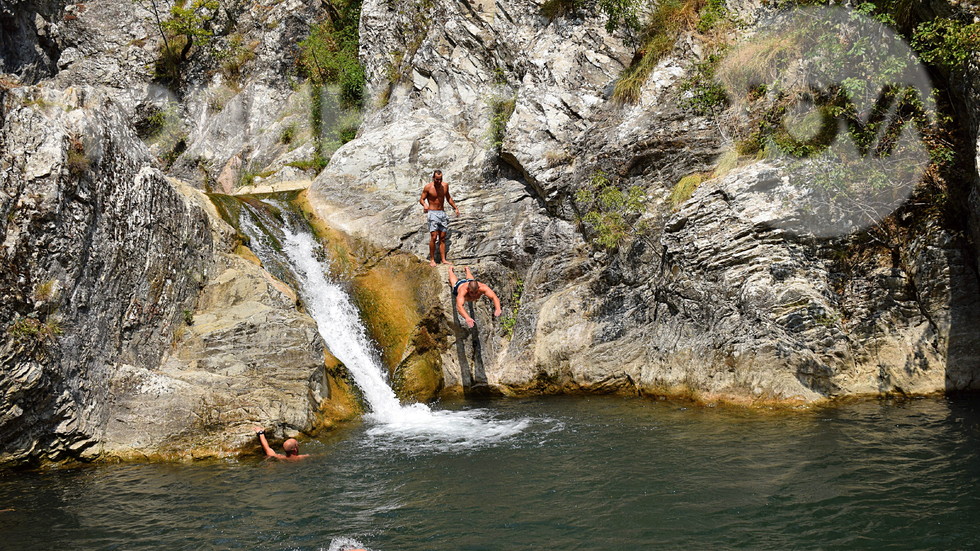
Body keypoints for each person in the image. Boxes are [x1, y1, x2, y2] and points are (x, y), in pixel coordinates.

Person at [419, 170, 460, 266]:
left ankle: (443, 259)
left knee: (442, 238)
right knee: (434, 236)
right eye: (437, 179)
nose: (438, 181)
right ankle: (432, 259)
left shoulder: (445, 185)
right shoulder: (428, 187)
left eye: (440, 179)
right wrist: (425, 205)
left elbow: (448, 197)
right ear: (433, 178)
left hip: (442, 213)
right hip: (432, 213)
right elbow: (421, 199)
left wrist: (455, 208)